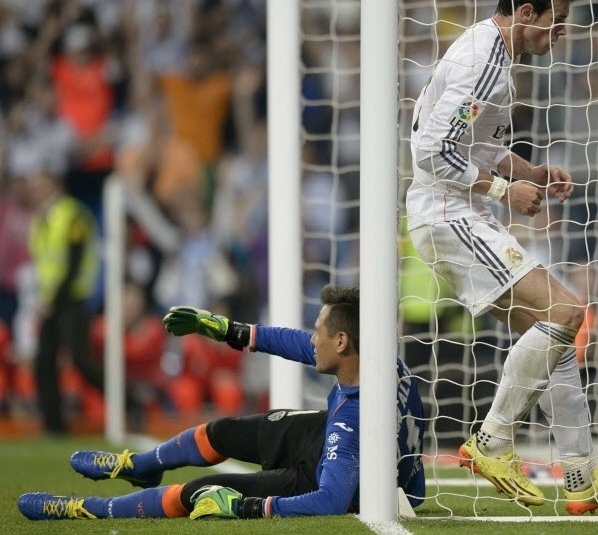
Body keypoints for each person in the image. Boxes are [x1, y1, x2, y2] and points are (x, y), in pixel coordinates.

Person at [405, 0, 598, 514]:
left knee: (557, 343)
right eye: (557, 19)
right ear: (526, 11)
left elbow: (478, 145)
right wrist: (502, 192)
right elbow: (430, 150)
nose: (562, 31)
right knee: (569, 313)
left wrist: (530, 172)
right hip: (448, 214)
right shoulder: (483, 61)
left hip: (455, 211)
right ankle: (491, 440)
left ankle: (579, 479)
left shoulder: (493, 52)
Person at [18, 284, 425, 520]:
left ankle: (83, 508)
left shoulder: (352, 422)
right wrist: (224, 328)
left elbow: (331, 500)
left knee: (200, 492)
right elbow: (287, 340)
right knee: (223, 431)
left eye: (318, 331)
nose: (311, 339)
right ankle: (137, 466)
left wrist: (247, 507)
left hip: (329, 477)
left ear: (341, 341)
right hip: (336, 440)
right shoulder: (381, 361)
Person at [24, 155, 103, 435]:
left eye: (40, 184)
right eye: (32, 185)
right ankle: (54, 426)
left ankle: (128, 403)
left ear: (54, 184)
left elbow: (73, 262)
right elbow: (42, 266)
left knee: (81, 360)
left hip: (71, 299)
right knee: (43, 362)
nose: (35, 190)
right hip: (48, 301)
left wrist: (51, 300)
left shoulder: (72, 214)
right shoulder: (40, 219)